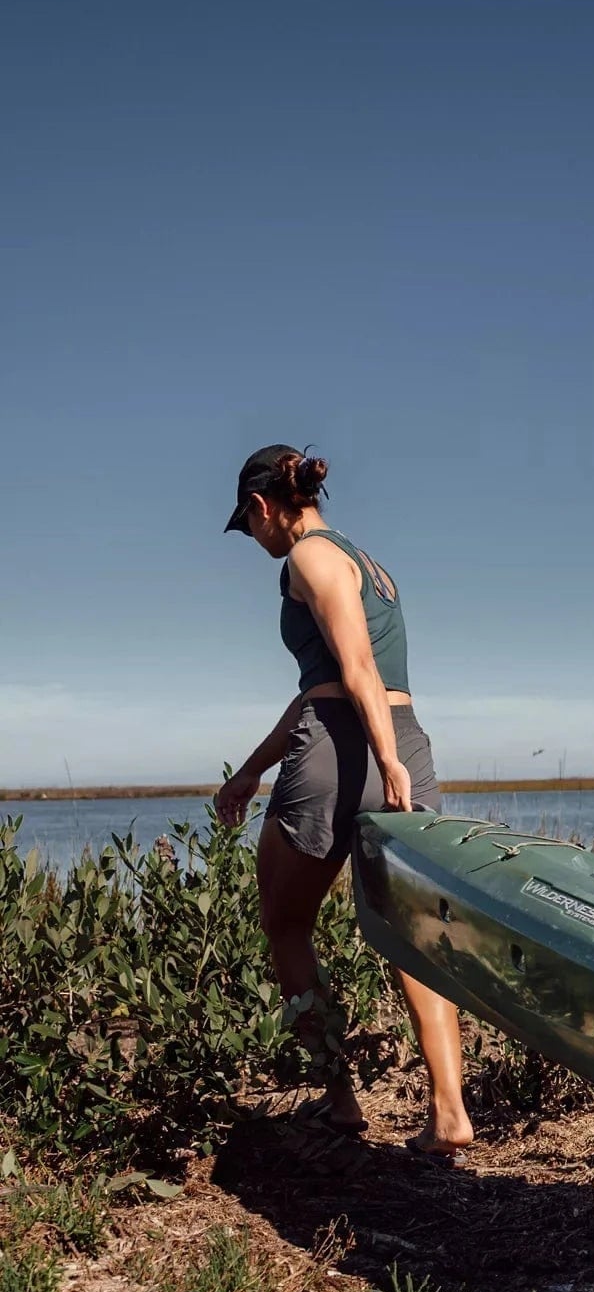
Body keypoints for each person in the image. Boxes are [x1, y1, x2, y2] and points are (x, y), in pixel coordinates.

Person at [214, 444, 475, 1164]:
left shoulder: (308, 558)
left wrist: (382, 759)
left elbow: (354, 670)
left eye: (248, 525)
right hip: (406, 737)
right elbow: (327, 683)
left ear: (263, 507)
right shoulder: (369, 564)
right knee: (413, 933)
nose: (254, 539)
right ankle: (449, 1113)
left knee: (285, 923)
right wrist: (250, 772)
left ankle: (340, 1100)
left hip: (346, 747)